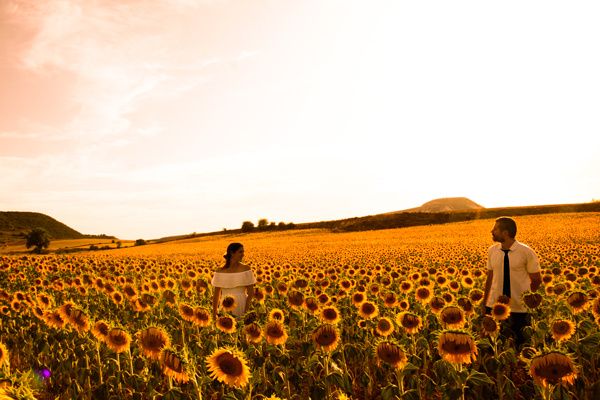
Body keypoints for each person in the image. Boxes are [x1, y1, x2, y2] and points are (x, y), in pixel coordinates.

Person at [482, 217, 542, 348]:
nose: (491, 231)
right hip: (495, 306)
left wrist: (526, 298)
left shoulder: (526, 252)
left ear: (505, 232)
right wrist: (485, 303)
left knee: (521, 344)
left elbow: (537, 280)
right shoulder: (492, 251)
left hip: (519, 307)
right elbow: (490, 279)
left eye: (495, 229)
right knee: (495, 344)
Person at [212, 243, 256, 318]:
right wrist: (214, 314)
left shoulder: (246, 269)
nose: (243, 254)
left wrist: (246, 312)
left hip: (242, 304)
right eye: (240, 252)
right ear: (232, 253)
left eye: (243, 252)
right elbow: (216, 295)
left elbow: (251, 294)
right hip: (225, 304)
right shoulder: (219, 271)